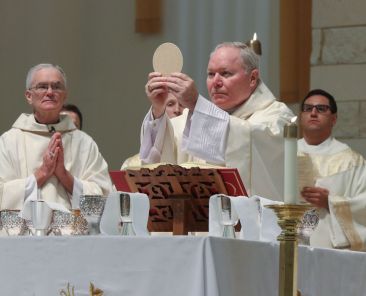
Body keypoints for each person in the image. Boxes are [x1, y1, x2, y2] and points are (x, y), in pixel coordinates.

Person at [139, 42, 294, 200]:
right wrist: (158, 110)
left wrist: (195, 103)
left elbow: (251, 137)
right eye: (211, 74)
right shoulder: (193, 119)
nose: (216, 82)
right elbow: (158, 164)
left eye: (225, 74)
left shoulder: (278, 118)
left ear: (252, 78)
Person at [0, 63, 112, 211]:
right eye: (42, 86)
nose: (50, 92)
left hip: (74, 232)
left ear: (64, 95)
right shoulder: (9, 141)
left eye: (56, 87)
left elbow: (105, 196)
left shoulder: (84, 142)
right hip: (25, 232)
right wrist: (42, 173)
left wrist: (64, 176)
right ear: (29, 96)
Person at [299, 89, 366, 250]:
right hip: (288, 242)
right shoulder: (283, 155)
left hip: (331, 251)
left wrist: (331, 203)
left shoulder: (352, 161)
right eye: (308, 108)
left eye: (321, 109)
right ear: (301, 116)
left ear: (334, 119)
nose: (313, 113)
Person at [121, 94, 184, 169]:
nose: (177, 110)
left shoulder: (196, 157)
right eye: (170, 104)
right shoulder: (131, 165)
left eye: (182, 105)